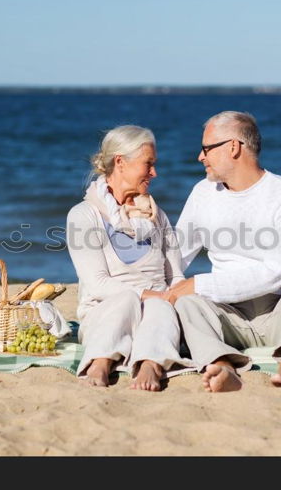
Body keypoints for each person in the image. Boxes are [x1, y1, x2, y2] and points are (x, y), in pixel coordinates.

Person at [170, 111, 281, 392]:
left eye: (207, 148)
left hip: (279, 314)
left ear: (233, 147)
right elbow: (174, 254)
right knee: (187, 302)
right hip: (226, 316)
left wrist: (199, 283)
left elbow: (275, 272)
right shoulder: (202, 192)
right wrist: (147, 225)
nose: (200, 156)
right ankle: (222, 364)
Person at [66, 125, 194, 391]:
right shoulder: (83, 216)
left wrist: (171, 298)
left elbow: (175, 276)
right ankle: (100, 362)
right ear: (121, 163)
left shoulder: (156, 215)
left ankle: (150, 364)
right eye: (148, 164)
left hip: (158, 317)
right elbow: (98, 285)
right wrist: (153, 295)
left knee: (161, 308)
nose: (154, 173)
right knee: (125, 300)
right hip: (107, 315)